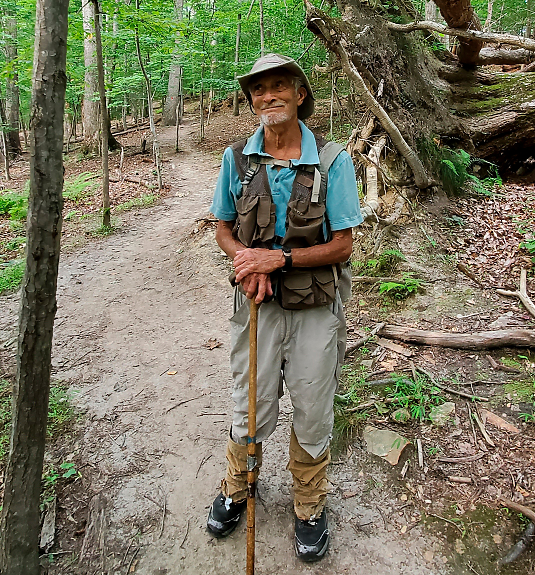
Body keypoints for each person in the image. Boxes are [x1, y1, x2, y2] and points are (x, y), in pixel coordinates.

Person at [206, 53, 363, 562]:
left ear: (300, 95)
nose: (266, 96)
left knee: (313, 404)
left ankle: (309, 505)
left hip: (316, 304)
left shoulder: (334, 161)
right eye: (258, 89)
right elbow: (225, 230)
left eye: (278, 86)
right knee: (248, 398)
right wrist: (247, 264)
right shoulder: (237, 158)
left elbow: (343, 244)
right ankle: (237, 486)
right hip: (255, 302)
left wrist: (278, 260)